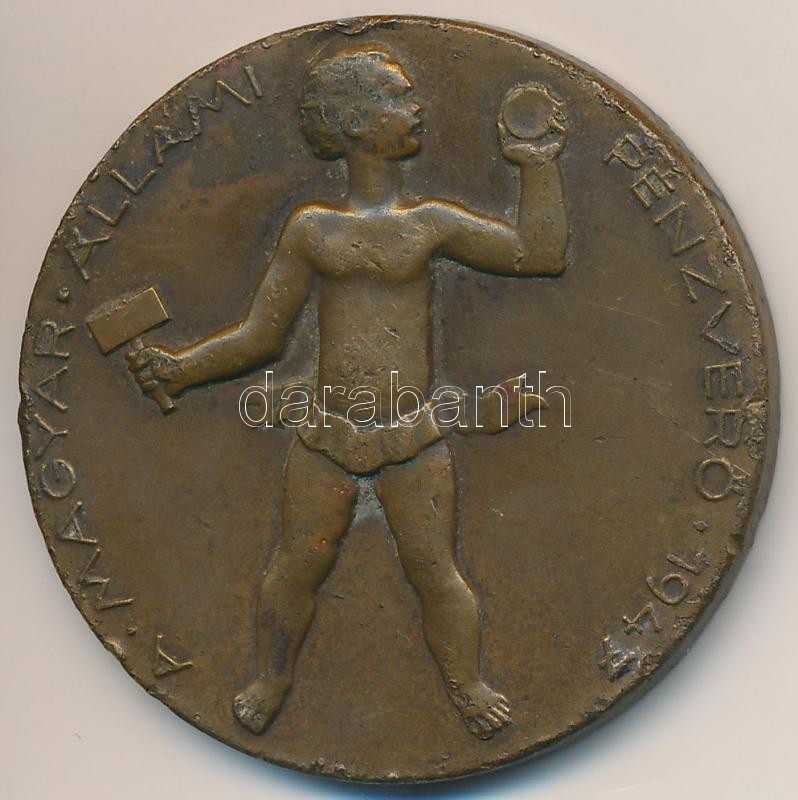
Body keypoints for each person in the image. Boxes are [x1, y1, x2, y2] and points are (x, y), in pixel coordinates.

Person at [129, 47, 568, 740]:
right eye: (398, 96)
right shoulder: (313, 230)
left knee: (435, 571)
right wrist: (181, 368)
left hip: (411, 434)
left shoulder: (430, 223)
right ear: (356, 123)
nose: (416, 106)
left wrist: (536, 164)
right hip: (328, 435)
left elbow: (538, 254)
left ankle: (467, 683)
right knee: (294, 567)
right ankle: (272, 678)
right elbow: (261, 337)